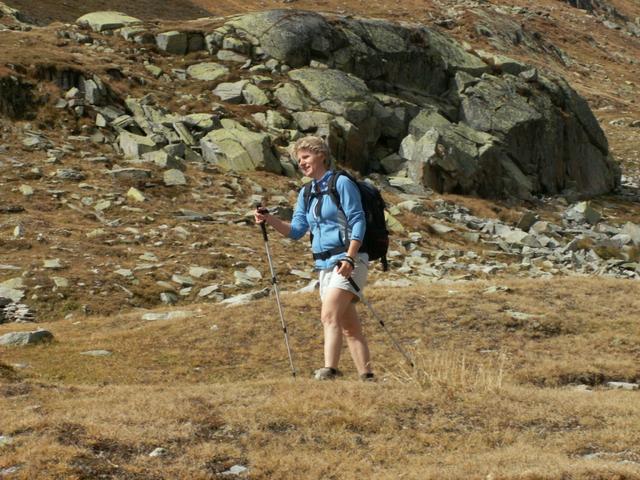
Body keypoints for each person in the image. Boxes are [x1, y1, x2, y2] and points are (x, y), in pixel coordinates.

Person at [254, 135, 374, 381]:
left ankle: (330, 371)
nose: (301, 163)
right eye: (299, 159)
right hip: (324, 265)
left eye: (306, 157)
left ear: (321, 155)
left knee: (328, 315)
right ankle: (368, 377)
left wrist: (350, 258)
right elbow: (296, 231)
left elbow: (358, 220)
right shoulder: (306, 192)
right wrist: (269, 219)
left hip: (349, 260)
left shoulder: (341, 183)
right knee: (349, 326)